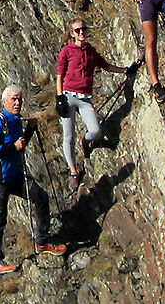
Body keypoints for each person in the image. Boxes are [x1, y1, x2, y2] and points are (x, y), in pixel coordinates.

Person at [0, 84, 61, 274]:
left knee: (40, 197)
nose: (17, 103)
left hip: (15, 175)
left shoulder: (15, 121)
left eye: (19, 99)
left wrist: (29, 131)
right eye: (13, 99)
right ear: (4, 101)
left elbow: (20, 145)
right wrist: (13, 147)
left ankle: (42, 242)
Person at [52, 17, 126, 192]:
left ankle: (84, 142)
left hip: (85, 98)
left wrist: (125, 70)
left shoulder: (91, 51)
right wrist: (59, 97)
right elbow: (59, 76)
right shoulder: (66, 51)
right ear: (72, 34)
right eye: (77, 30)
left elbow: (106, 66)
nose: (81, 33)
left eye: (83, 29)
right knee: (67, 136)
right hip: (68, 96)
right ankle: (73, 172)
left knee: (96, 131)